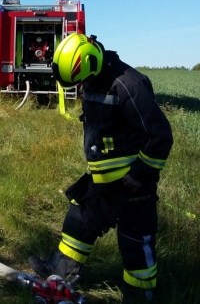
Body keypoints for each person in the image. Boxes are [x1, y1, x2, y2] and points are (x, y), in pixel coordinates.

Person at [28, 34, 173, 303]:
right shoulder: (94, 78)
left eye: (81, 80)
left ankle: (141, 295)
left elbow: (159, 136)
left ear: (91, 63)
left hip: (132, 185)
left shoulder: (130, 85)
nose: (81, 85)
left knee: (135, 244)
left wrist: (140, 173)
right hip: (103, 180)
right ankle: (59, 271)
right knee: (79, 220)